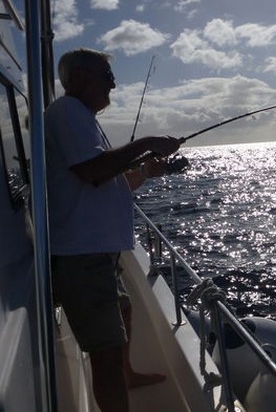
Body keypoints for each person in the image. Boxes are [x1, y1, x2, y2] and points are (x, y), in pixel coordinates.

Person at [45, 48, 182, 412]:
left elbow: (105, 179)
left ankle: (130, 374)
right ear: (78, 76)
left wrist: (146, 172)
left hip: (98, 251)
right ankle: (119, 379)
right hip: (82, 255)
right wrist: (149, 142)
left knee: (123, 309)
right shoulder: (68, 112)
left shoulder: (82, 118)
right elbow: (91, 171)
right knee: (104, 356)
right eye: (106, 75)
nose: (114, 83)